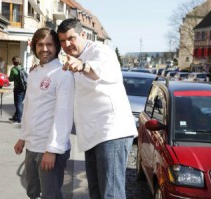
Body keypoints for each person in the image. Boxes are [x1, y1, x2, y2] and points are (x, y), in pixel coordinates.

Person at [57, 18, 138, 199]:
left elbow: (99, 70)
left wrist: (84, 66)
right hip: (92, 136)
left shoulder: (101, 51)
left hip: (111, 132)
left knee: (111, 194)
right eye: (62, 41)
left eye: (71, 38)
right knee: (96, 193)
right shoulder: (72, 59)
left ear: (83, 35)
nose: (67, 44)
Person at [14, 27, 74, 199]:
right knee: (32, 191)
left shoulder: (63, 74)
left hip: (49, 149)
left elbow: (63, 115)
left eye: (49, 44)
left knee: (50, 195)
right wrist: (22, 137)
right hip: (32, 145)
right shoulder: (34, 73)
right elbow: (29, 107)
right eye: (40, 44)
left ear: (56, 47)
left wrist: (52, 150)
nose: (44, 49)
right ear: (34, 47)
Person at [8, 56, 26, 124]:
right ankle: (15, 116)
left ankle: (19, 119)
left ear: (13, 62)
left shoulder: (13, 69)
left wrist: (9, 78)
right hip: (24, 88)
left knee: (18, 104)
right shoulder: (22, 68)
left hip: (18, 88)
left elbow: (10, 79)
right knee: (19, 103)